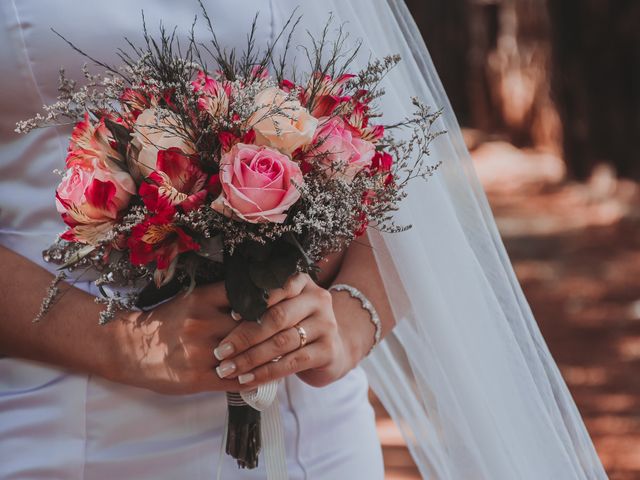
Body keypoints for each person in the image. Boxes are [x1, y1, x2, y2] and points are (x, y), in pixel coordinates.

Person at [0, 1, 608, 479]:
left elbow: (412, 175)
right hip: (59, 427)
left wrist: (350, 318)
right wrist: (121, 344)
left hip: (307, 437)